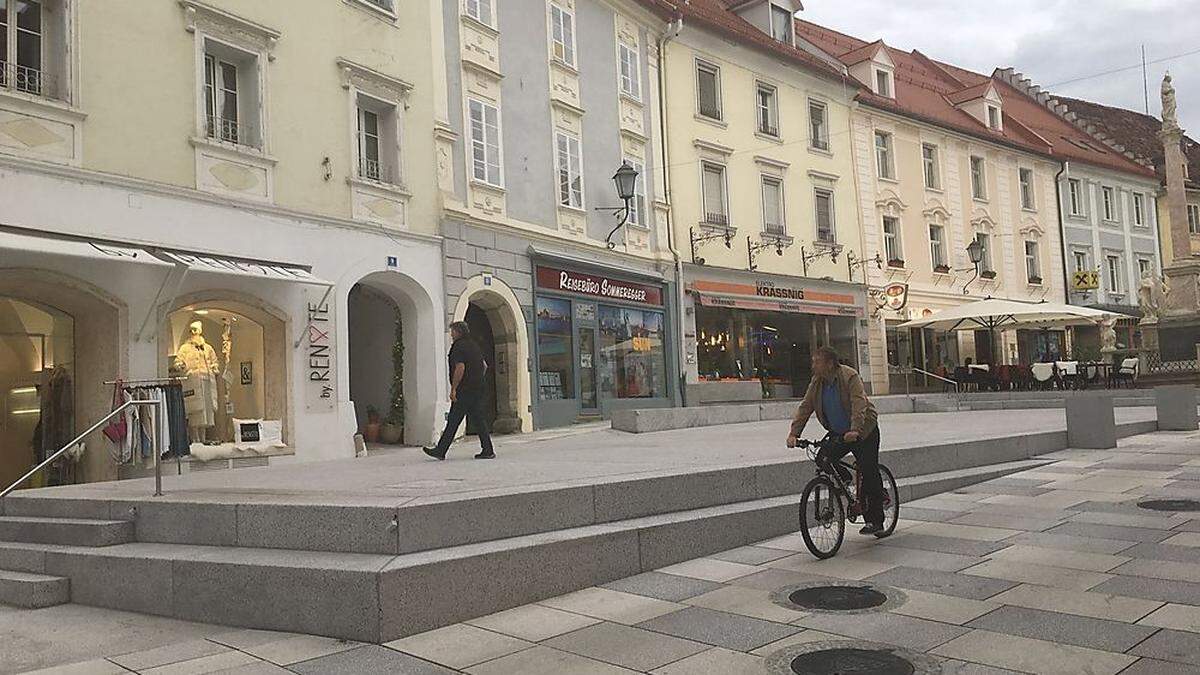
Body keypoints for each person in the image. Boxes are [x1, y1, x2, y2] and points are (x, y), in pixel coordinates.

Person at [786, 346, 886, 536]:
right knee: (823, 458)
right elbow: (805, 407)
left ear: (830, 363)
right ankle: (846, 478)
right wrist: (794, 434)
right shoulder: (817, 383)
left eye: (817, 361)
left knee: (868, 469)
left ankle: (876, 521)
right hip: (839, 433)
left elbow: (859, 404)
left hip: (864, 431)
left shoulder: (850, 376)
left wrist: (855, 429)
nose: (813, 365)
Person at [423, 321, 496, 460]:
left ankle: (440, 450)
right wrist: (477, 378)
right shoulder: (474, 345)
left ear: (457, 332)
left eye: (452, 331)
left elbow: (460, 367)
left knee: (453, 420)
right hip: (478, 387)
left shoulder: (458, 347)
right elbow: (484, 365)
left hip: (465, 389)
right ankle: (488, 449)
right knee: (479, 419)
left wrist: (454, 388)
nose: (451, 334)